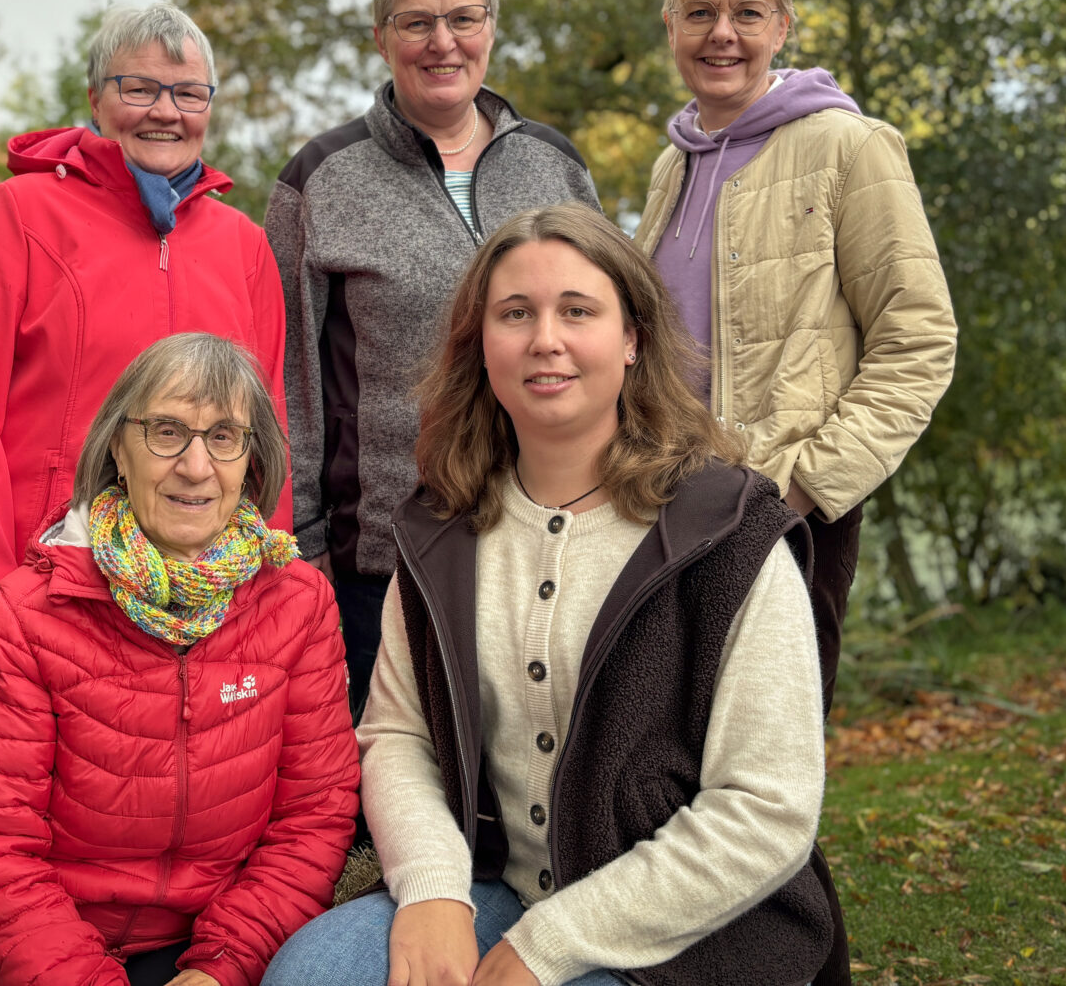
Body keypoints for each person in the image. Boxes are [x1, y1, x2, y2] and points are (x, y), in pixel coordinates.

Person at [263, 204, 831, 986]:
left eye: (578, 311)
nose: (545, 340)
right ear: (482, 344)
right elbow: (397, 734)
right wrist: (432, 887)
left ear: (632, 339)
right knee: (312, 974)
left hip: (683, 924)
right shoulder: (440, 528)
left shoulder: (728, 534)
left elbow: (768, 809)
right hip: (492, 887)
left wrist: (551, 942)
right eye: (515, 313)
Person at [633, 0, 959, 984]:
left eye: (747, 13)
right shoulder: (671, 163)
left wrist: (809, 485)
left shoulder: (847, 147)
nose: (722, 34)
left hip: (783, 514)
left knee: (764, 792)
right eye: (699, 13)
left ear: (783, 26)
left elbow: (920, 338)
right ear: (672, 28)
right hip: (663, 513)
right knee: (668, 780)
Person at [0, 332, 358, 986]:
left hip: (212, 937)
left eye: (224, 436)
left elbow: (313, 817)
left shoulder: (298, 603)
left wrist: (222, 966)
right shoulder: (25, 612)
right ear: (118, 447)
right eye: (167, 431)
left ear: (252, 462)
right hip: (39, 938)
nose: (195, 464)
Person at [265, 0, 600, 719]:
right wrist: (301, 538)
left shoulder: (553, 165)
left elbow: (608, 331)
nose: (442, 42)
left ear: (490, 29)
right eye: (416, 22)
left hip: (549, 526)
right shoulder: (321, 178)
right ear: (381, 39)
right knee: (385, 784)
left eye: (463, 18)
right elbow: (289, 376)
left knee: (525, 769)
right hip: (379, 552)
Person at [0, 2, 291, 647]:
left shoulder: (245, 245)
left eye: (188, 93)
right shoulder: (22, 216)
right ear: (96, 100)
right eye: (139, 88)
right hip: (48, 585)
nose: (165, 111)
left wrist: (263, 583)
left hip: (204, 596)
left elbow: (267, 428)